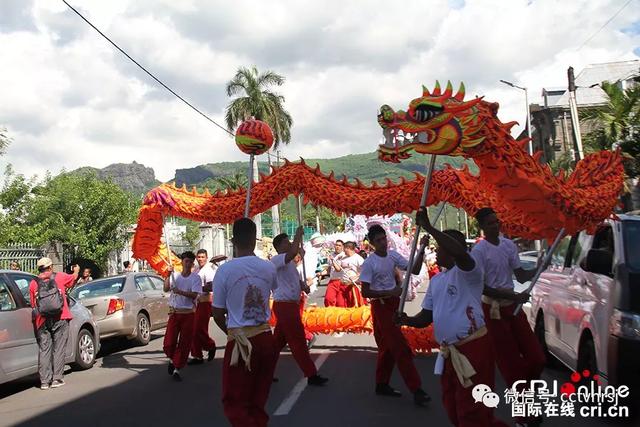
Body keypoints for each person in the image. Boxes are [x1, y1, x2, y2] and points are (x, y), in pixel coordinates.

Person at [398, 208, 508, 427]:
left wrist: (429, 227)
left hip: (474, 348)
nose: (437, 252)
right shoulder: (437, 281)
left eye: (441, 248)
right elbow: (426, 317)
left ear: (451, 249)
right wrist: (406, 320)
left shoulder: (470, 272)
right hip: (449, 353)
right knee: (452, 406)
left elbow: (460, 254)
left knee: (472, 411)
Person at [471, 207, 545, 426]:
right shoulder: (479, 252)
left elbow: (520, 274)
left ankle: (527, 403)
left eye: (497, 221)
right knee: (512, 366)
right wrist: (509, 294)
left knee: (537, 359)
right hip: (493, 311)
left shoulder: (508, 245)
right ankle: (524, 416)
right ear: (482, 227)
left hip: (513, 307)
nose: (496, 225)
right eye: (491, 223)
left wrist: (539, 269)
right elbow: (481, 287)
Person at [212, 218, 278, 427]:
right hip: (266, 338)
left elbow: (217, 313)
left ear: (233, 241)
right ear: (255, 238)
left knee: (235, 402)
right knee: (258, 399)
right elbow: (273, 291)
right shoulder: (268, 268)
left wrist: (233, 334)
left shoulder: (225, 270)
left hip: (241, 341)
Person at [359, 224, 430, 406]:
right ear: (372, 243)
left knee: (387, 347)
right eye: (378, 241)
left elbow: (413, 269)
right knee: (400, 348)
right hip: (381, 306)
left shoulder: (393, 256)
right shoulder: (369, 263)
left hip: (393, 304)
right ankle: (417, 389)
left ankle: (381, 384)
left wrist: (421, 250)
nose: (383, 243)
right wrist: (389, 292)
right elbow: (365, 292)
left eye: (384, 239)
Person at [271, 228, 329, 386]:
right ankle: (311, 374)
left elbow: (296, 281)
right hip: (285, 306)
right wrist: (297, 235)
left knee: (276, 344)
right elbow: (292, 253)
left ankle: (263, 371)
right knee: (298, 341)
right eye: (286, 242)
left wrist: (303, 286)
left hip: (290, 305)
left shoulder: (289, 264)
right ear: (279, 246)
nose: (289, 244)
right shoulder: (277, 259)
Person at [29, 258, 80, 390]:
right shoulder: (60, 277)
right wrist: (76, 271)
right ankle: (57, 378)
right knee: (59, 348)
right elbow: (73, 279)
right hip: (60, 317)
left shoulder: (33, 283)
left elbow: (34, 304)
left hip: (42, 320)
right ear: (51, 267)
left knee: (44, 349)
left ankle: (45, 381)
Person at [163, 251, 201, 381]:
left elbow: (195, 295)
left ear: (192, 263)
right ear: (182, 262)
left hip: (188, 314)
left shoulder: (195, 278)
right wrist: (167, 275)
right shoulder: (175, 276)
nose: (188, 264)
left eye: (191, 262)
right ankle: (172, 359)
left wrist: (180, 292)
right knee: (169, 342)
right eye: (186, 261)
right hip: (174, 313)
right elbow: (166, 288)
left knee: (184, 343)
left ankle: (176, 368)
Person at [188, 249, 222, 365]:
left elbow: (211, 286)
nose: (200, 259)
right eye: (198, 257)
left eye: (202, 257)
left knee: (199, 328)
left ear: (206, 258)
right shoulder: (197, 270)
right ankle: (197, 355)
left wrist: (197, 289)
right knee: (193, 329)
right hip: (196, 302)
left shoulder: (208, 270)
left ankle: (210, 345)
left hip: (205, 302)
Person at [340, 241, 365, 307]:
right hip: (343, 285)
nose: (343, 250)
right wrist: (333, 260)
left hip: (353, 286)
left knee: (354, 306)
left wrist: (356, 276)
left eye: (344, 248)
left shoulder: (358, 258)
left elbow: (365, 271)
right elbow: (338, 269)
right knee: (342, 305)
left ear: (348, 248)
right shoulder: (343, 258)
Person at [324, 240, 347, 307]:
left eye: (339, 245)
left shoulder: (344, 255)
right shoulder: (331, 255)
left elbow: (338, 269)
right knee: (328, 299)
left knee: (341, 303)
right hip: (332, 281)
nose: (337, 247)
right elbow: (328, 270)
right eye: (336, 245)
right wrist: (320, 274)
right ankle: (330, 315)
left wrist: (333, 260)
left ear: (342, 247)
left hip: (341, 281)